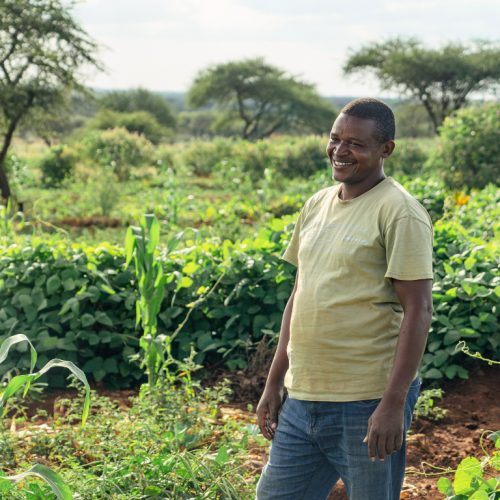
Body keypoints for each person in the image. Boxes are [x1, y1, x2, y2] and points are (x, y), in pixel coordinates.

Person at [255, 98, 434, 500]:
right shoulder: (317, 204)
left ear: (386, 149)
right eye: (335, 138)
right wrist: (274, 382)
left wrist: (393, 403)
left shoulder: (399, 212)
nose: (339, 150)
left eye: (355, 143)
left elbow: (418, 311)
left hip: (366, 402)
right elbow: (300, 295)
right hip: (302, 399)